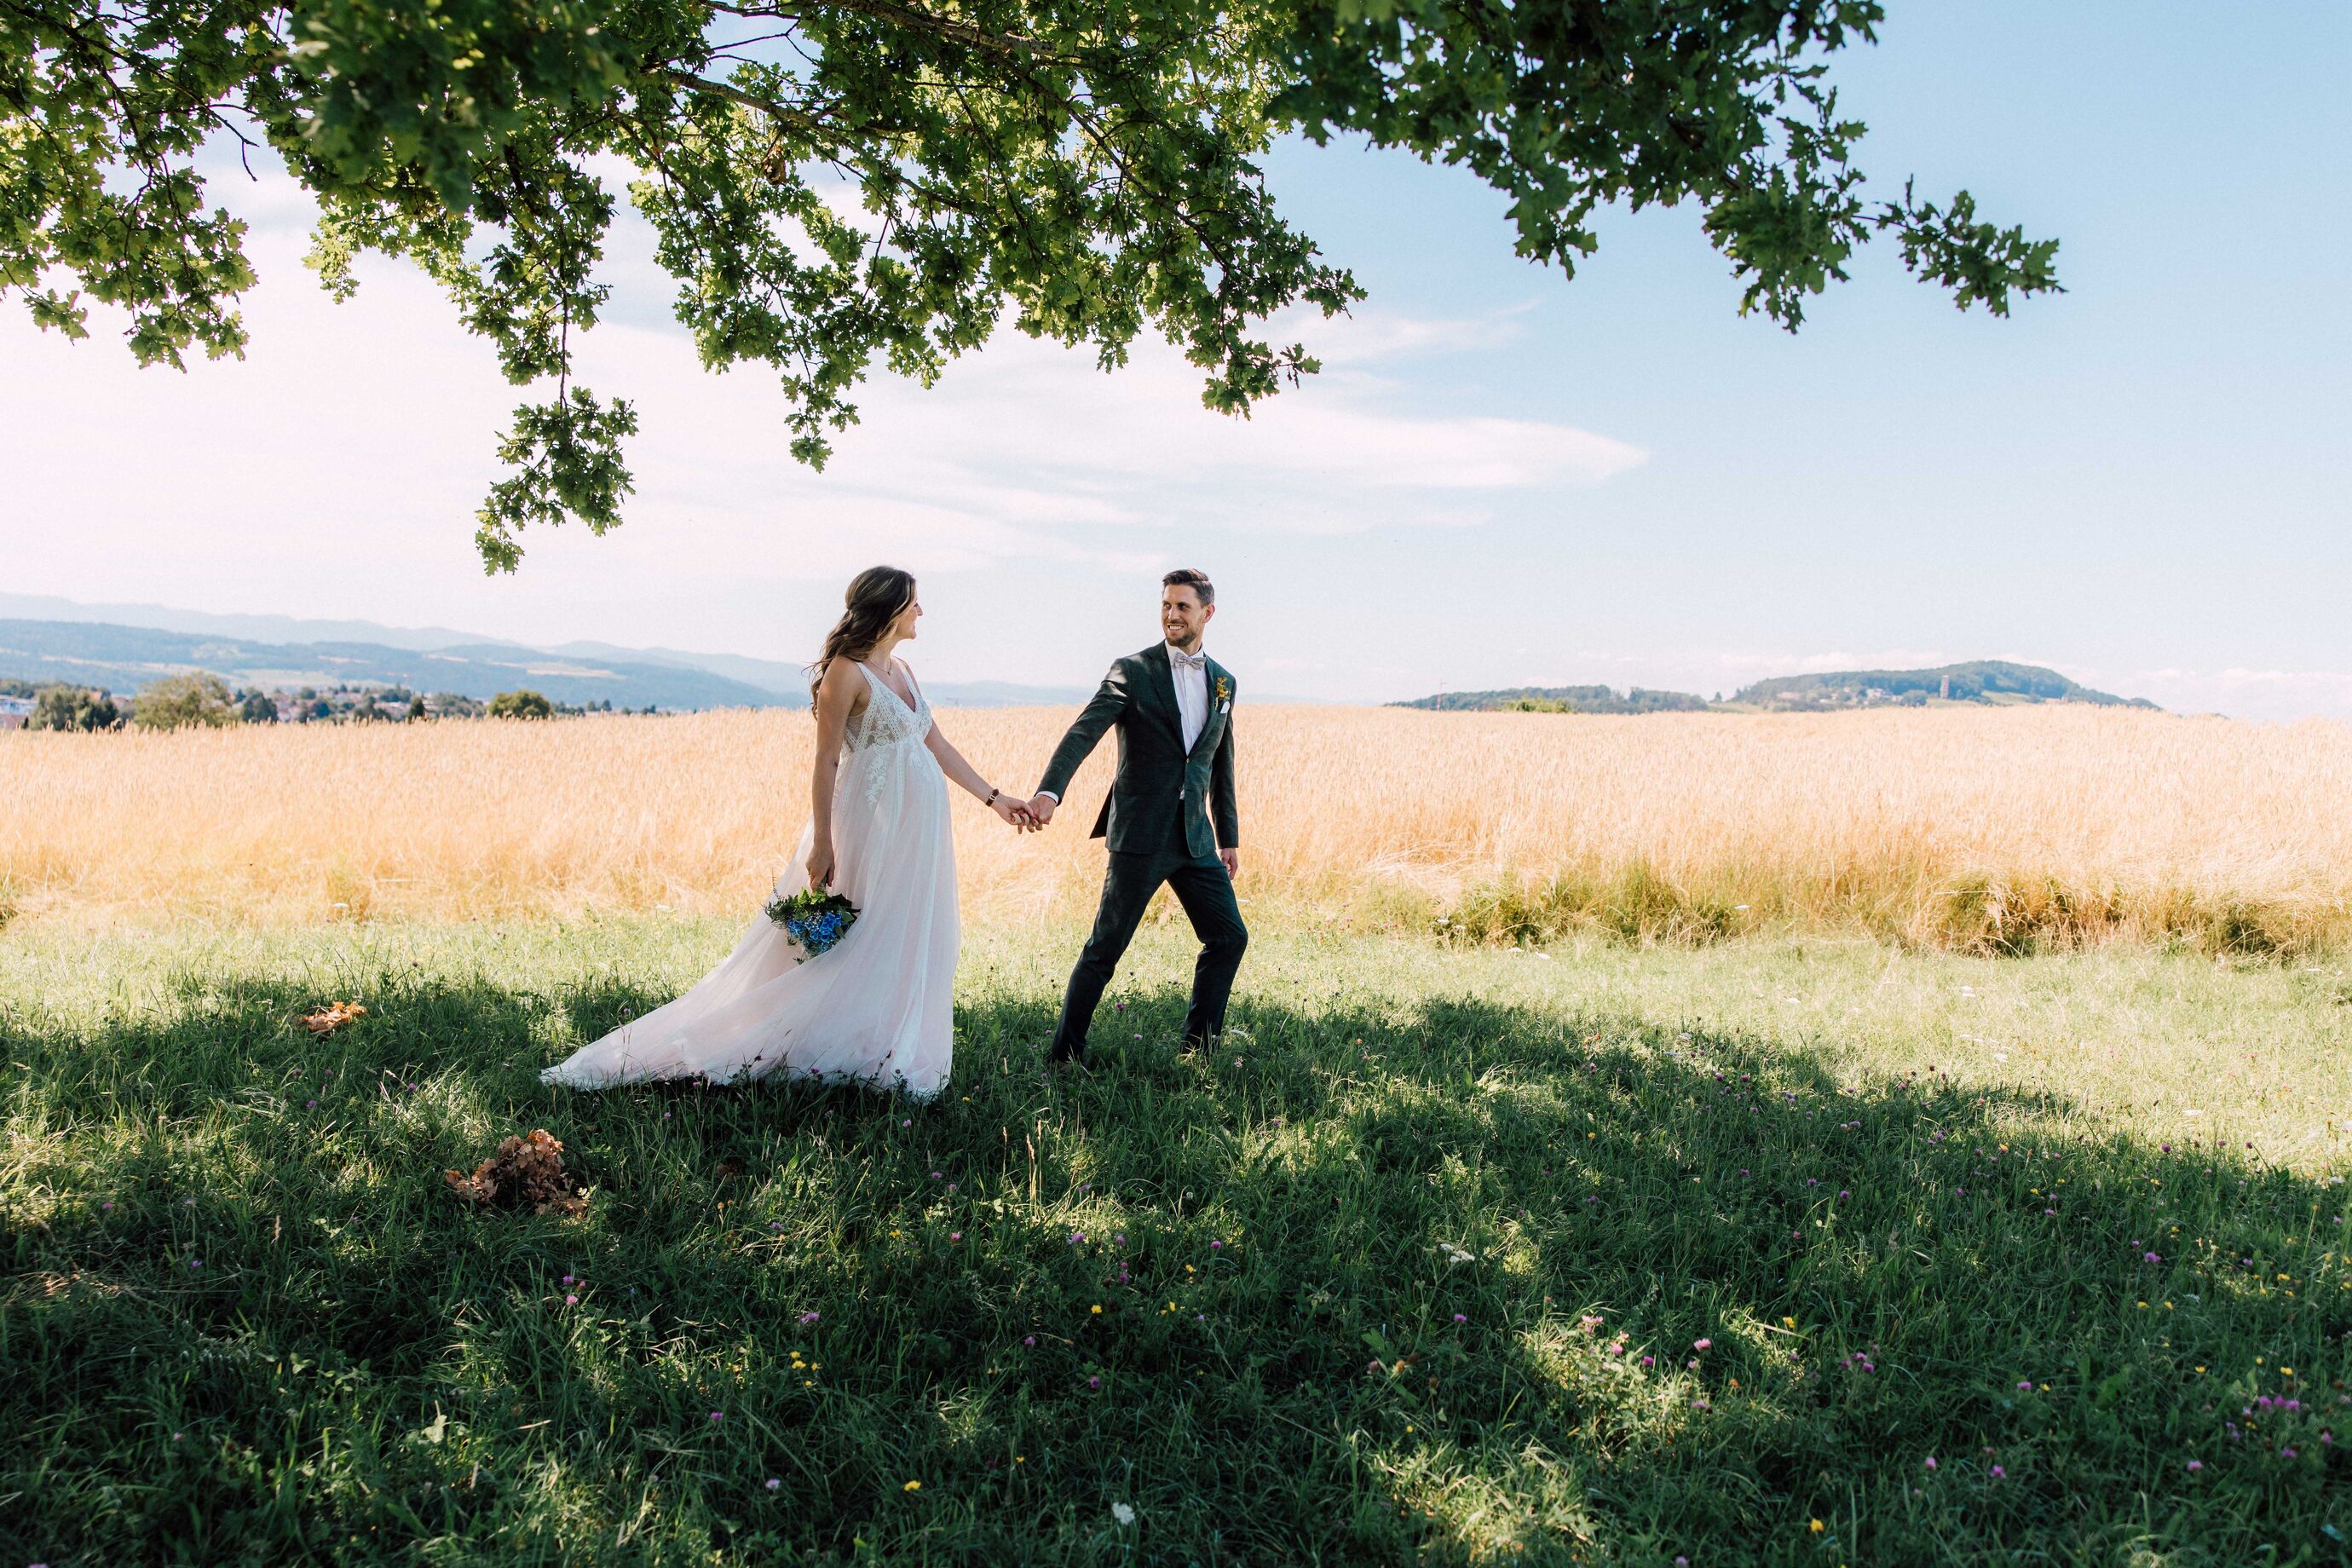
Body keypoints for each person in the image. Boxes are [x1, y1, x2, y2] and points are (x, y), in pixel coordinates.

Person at [540, 566, 1032, 1097]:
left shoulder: (905, 671)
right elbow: (826, 761)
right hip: (868, 826)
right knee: (855, 930)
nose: (921, 611)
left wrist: (995, 799)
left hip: (918, 830)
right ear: (889, 609)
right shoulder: (846, 672)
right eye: (913, 601)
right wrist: (823, 842)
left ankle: (884, 1042)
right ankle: (809, 1039)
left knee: (905, 929)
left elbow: (936, 744)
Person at [1027, 568, 1245, 1065]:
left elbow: (1220, 765)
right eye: (1166, 605)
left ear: (1207, 613)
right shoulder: (1133, 670)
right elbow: (1083, 732)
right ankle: (1064, 1056)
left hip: (1195, 839)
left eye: (1183, 606)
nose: (1172, 615)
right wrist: (1049, 793)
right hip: (1140, 836)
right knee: (1105, 948)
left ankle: (1199, 1050)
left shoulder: (1224, 682)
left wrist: (1227, 837)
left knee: (1229, 936)